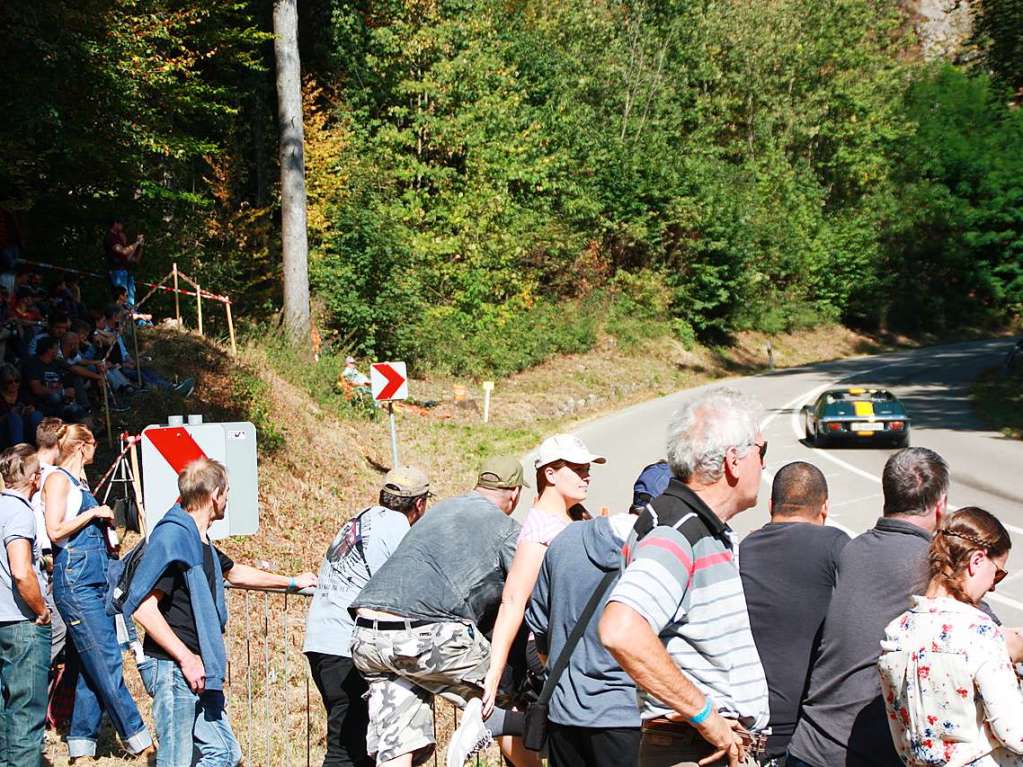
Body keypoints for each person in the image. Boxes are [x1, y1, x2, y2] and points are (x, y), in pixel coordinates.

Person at [598, 387, 770, 767]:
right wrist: (707, 718)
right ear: (734, 461)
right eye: (762, 451)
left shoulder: (694, 525)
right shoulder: (678, 532)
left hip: (699, 746)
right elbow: (620, 629)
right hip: (694, 748)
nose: (764, 466)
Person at [123, 457, 318, 767]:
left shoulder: (199, 541)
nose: (228, 499)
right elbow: (144, 609)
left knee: (225, 754)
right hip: (174, 667)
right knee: (175, 761)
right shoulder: (173, 540)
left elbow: (235, 572)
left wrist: (292, 582)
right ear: (215, 495)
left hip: (199, 668)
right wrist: (186, 659)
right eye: (227, 492)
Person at [348, 456, 528, 767]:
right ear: (514, 494)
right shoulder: (508, 530)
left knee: (398, 747)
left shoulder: (442, 509)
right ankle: (482, 720)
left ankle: (478, 714)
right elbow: (525, 592)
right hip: (421, 635)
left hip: (366, 636)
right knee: (508, 691)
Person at [786, 447, 950, 767]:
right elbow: (982, 634)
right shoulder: (933, 565)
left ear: (886, 496)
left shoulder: (853, 550)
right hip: (860, 753)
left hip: (809, 744)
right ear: (941, 505)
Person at [304, 465, 431, 767]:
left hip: (321, 641)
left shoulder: (359, 519)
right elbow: (402, 590)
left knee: (355, 747)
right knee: (348, 750)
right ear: (420, 504)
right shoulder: (396, 527)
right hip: (349, 648)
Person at [877, 507, 1023, 766]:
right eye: (997, 573)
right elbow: (1016, 733)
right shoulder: (979, 632)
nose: (993, 585)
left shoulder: (897, 632)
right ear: (976, 561)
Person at [44, 423, 154, 762]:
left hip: (95, 579)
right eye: (93, 445)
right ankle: (139, 739)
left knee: (88, 666)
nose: (96, 451)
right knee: (106, 659)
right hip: (76, 581)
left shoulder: (80, 483)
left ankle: (81, 747)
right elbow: (55, 529)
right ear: (82, 447)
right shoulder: (58, 480)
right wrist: (94, 512)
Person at [481, 435, 606, 718]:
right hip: (553, 651)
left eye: (587, 469)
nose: (586, 476)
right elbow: (513, 600)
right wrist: (495, 672)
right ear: (549, 473)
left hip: (577, 648)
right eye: (577, 469)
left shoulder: (571, 521)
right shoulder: (540, 530)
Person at [737, 462, 849, 765]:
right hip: (805, 733)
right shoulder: (836, 547)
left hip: (744, 726)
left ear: (772, 506)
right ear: (824, 508)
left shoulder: (741, 549)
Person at [524, 511, 641, 767]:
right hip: (629, 715)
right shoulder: (661, 551)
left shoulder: (565, 540)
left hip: (564, 712)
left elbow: (538, 626)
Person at [0, 443, 51, 766]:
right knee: (25, 713)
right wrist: (41, 610)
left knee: (5, 710)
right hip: (21, 622)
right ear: (34, 478)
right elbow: (21, 571)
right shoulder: (20, 512)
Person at [30, 417, 67, 662]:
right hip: (47, 553)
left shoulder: (24, 468)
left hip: (25, 549)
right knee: (57, 626)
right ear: (59, 443)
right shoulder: (56, 476)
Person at [22, 336, 89, 423]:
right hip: (42, 404)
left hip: (61, 402)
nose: (58, 350)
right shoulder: (32, 364)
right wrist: (62, 392)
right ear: (49, 350)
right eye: (57, 347)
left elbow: (74, 369)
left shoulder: (56, 362)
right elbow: (37, 389)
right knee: (55, 397)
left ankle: (92, 429)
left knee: (79, 411)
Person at [0, 363, 43, 448]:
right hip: (5, 429)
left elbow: (34, 406)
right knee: (14, 418)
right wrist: (8, 415)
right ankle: (18, 451)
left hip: (25, 426)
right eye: (10, 382)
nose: (14, 384)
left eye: (17, 381)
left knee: (36, 415)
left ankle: (41, 446)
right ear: (3, 383)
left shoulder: (23, 394)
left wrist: (30, 409)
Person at [105, 218, 143, 308]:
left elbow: (132, 258)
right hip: (117, 271)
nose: (122, 226)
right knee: (121, 297)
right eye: (121, 223)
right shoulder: (110, 237)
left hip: (126, 271)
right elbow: (123, 251)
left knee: (130, 298)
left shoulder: (119, 237)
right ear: (115, 224)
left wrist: (140, 246)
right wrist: (137, 242)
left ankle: (131, 316)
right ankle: (121, 317)